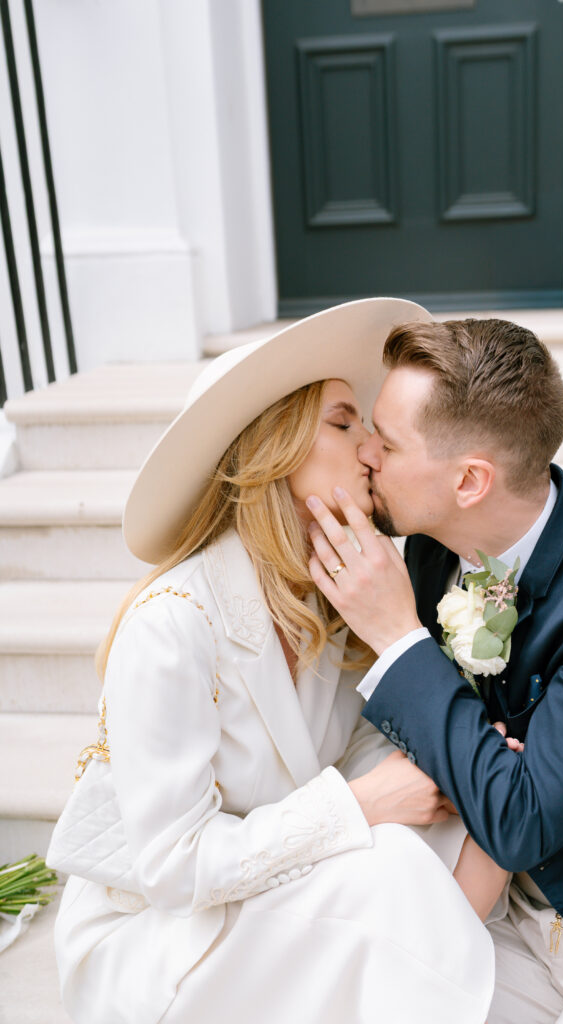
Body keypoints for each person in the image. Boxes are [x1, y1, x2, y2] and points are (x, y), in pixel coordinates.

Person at [50, 300, 497, 1024]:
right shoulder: (173, 623)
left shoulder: (325, 598)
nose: (370, 450)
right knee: (384, 876)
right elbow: (173, 866)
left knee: (454, 817)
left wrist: (414, 779)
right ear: (275, 445)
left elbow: (356, 749)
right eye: (343, 422)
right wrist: (360, 804)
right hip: (158, 936)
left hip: (265, 893)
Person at [306, 317, 563, 1024]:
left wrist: (397, 640)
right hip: (493, 908)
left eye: (385, 443)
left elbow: (521, 820)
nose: (364, 455)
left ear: (470, 480)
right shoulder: (426, 548)